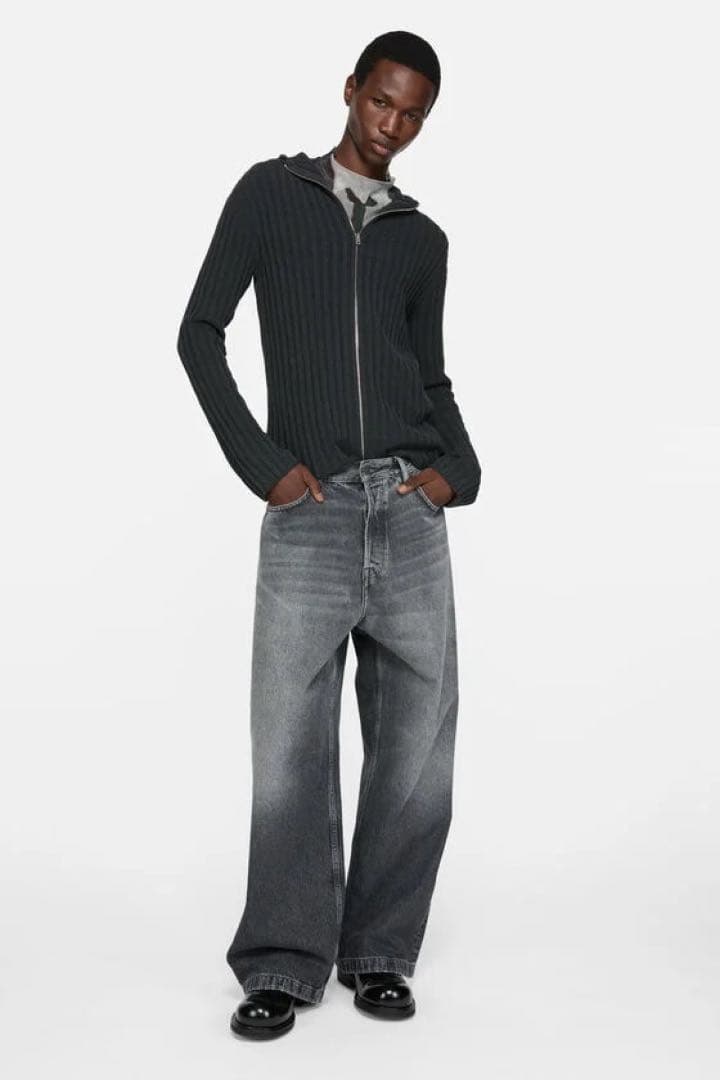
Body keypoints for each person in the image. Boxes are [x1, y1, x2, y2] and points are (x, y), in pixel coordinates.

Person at [176, 29, 481, 1040]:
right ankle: (281, 959)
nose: (392, 125)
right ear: (351, 89)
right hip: (309, 509)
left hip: (410, 509)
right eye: (381, 101)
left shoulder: (421, 241)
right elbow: (199, 333)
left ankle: (381, 951)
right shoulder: (272, 194)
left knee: (416, 744)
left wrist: (459, 470)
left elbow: (429, 375)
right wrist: (263, 464)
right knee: (291, 745)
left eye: (412, 114)